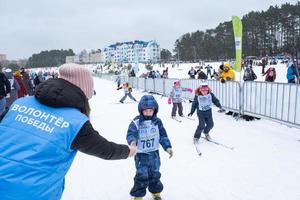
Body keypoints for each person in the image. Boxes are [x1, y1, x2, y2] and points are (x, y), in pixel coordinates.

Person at [0, 63, 137, 200]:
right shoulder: (75, 122)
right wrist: (130, 150)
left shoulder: (20, 104)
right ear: (84, 92)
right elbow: (106, 150)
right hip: (34, 192)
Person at [126, 95, 173, 200]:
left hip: (154, 154)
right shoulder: (136, 122)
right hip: (141, 154)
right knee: (141, 175)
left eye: (150, 111)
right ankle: (138, 196)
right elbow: (131, 133)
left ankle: (156, 192)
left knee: (155, 174)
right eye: (145, 111)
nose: (148, 113)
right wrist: (132, 142)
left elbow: (163, 135)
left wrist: (167, 147)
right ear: (141, 110)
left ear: (154, 110)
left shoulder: (157, 122)